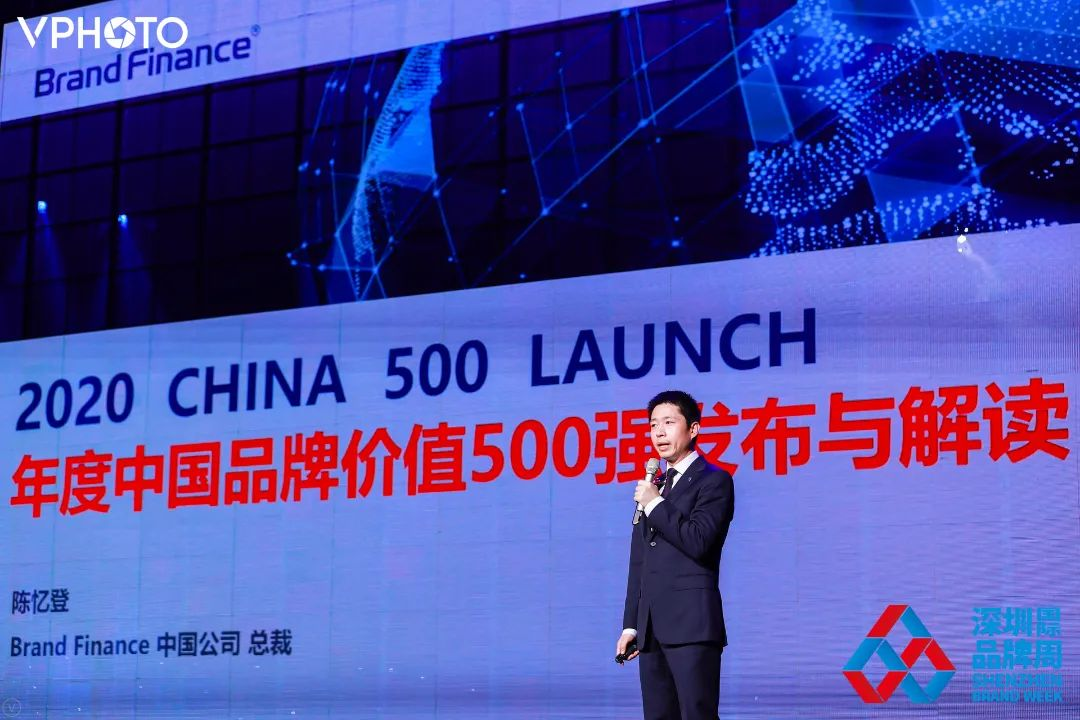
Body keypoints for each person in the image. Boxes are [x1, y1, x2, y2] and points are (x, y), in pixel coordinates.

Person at [616, 390, 735, 719]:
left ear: (693, 429)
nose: (659, 432)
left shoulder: (714, 481)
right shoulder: (655, 485)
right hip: (651, 630)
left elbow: (699, 540)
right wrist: (631, 625)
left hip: (692, 626)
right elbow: (640, 561)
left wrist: (655, 503)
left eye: (669, 422)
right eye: (653, 425)